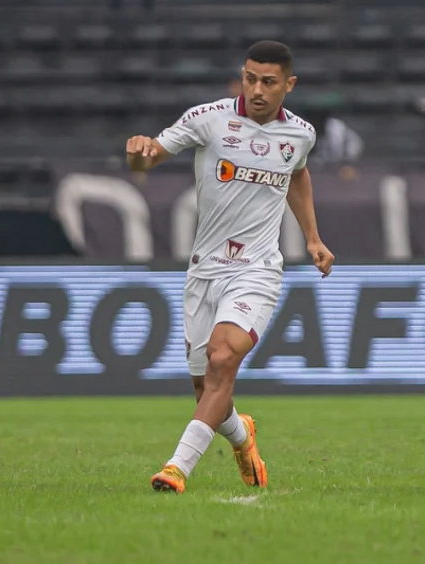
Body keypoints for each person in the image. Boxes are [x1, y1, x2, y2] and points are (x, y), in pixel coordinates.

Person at [125, 40, 334, 493]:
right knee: (208, 390)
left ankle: (177, 468)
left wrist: (312, 238)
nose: (257, 90)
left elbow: (297, 173)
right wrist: (138, 152)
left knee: (223, 358)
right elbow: (148, 159)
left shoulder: (300, 134)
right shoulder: (208, 118)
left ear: (289, 85)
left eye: (269, 82)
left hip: (257, 268)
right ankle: (243, 437)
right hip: (204, 270)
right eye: (250, 79)